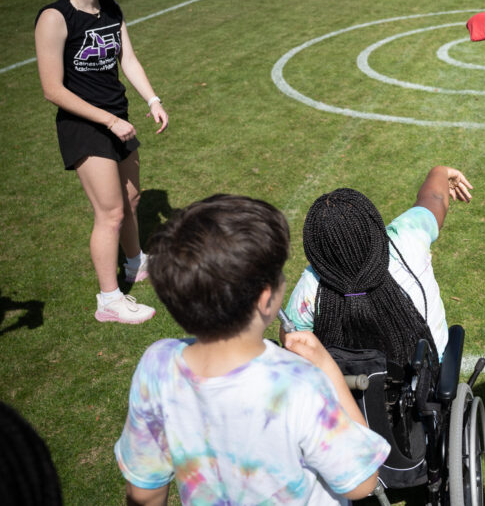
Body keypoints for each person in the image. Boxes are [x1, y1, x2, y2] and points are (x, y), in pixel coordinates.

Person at [115, 194, 389, 505]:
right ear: (265, 298)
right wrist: (327, 368)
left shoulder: (157, 365)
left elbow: (145, 491)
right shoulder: (299, 383)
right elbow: (362, 481)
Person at [34, 0, 168, 325]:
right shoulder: (54, 18)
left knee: (132, 198)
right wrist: (107, 120)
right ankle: (109, 300)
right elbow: (52, 89)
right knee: (109, 213)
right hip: (84, 125)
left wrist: (153, 99)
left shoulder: (109, 7)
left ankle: (134, 263)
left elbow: (128, 57)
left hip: (118, 117)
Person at [284, 166, 473, 365]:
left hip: (349, 388)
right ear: (372, 224)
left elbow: (292, 340)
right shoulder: (407, 239)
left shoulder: (312, 284)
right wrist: (440, 172)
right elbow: (433, 199)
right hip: (426, 377)